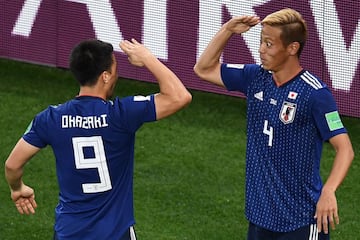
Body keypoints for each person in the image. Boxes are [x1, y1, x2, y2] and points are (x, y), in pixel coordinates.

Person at [5, 38, 192, 239]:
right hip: (115, 234)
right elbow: (179, 96)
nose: (116, 75)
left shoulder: (50, 118)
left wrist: (17, 188)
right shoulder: (121, 114)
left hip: (69, 233)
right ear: (105, 76)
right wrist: (147, 57)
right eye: (114, 70)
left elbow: (12, 165)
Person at [194, 8, 354, 240]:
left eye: (269, 44)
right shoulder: (256, 77)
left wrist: (329, 191)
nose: (261, 50)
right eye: (261, 42)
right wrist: (228, 29)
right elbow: (203, 69)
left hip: (300, 220)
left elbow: (345, 149)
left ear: (292, 48)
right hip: (260, 218)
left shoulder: (315, 94)